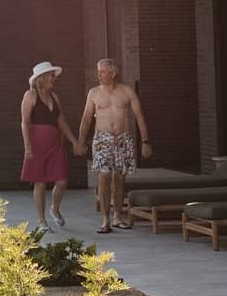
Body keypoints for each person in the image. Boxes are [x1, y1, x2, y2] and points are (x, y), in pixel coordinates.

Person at [74, 59, 151, 234]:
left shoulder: (127, 91)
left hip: (123, 139)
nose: (98, 75)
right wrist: (80, 140)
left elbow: (139, 116)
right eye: (98, 71)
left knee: (119, 179)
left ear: (113, 73)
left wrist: (145, 142)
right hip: (102, 139)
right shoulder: (93, 93)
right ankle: (105, 220)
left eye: (102, 71)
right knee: (104, 177)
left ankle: (117, 217)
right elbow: (86, 119)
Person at [20, 62, 79, 231]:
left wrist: (74, 141)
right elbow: (24, 123)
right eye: (51, 76)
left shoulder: (55, 96)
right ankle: (41, 221)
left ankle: (55, 208)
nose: (54, 78)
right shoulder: (30, 95)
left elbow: (61, 121)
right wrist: (27, 146)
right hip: (36, 144)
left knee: (61, 181)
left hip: (55, 144)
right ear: (42, 78)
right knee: (40, 182)